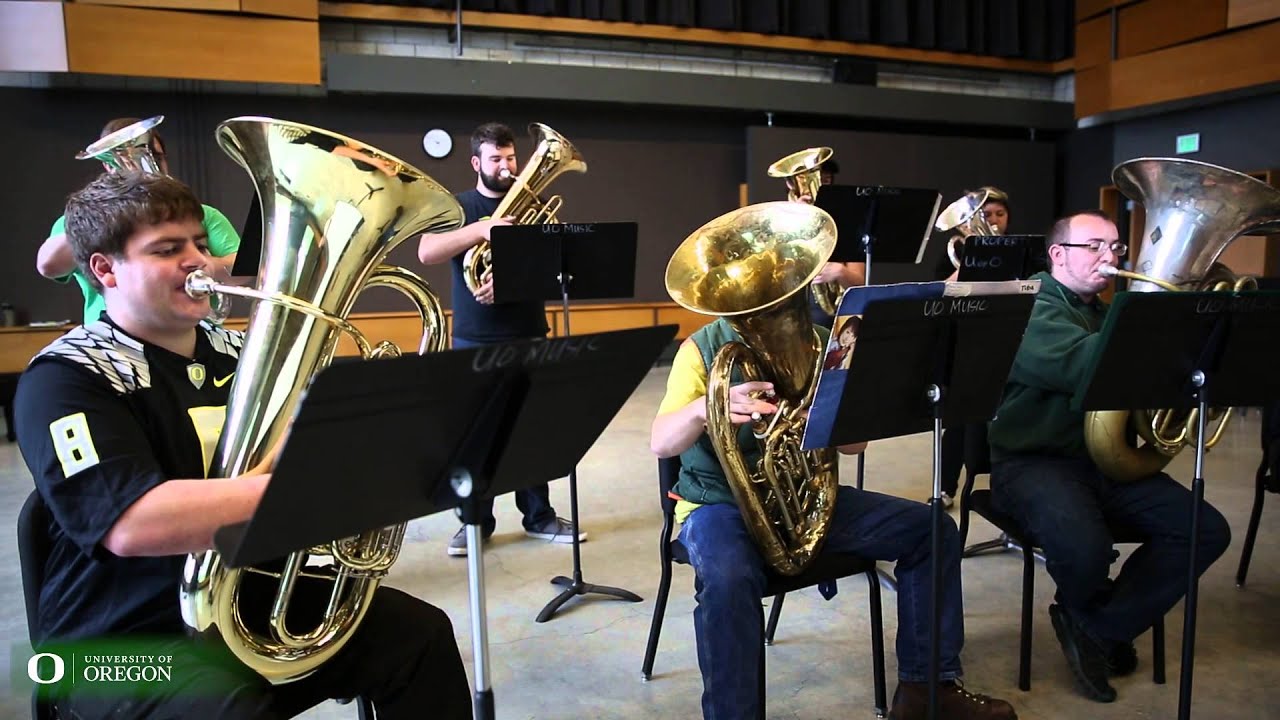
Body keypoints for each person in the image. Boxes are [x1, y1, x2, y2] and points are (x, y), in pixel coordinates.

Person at [15, 172, 472, 720]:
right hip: (114, 640)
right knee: (236, 708)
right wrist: (313, 490)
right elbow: (133, 523)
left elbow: (312, 444)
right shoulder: (67, 376)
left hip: (239, 597)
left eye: (200, 245)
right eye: (168, 249)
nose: (199, 262)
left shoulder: (237, 351)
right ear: (105, 269)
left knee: (419, 640)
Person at [650, 319, 1017, 719]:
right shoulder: (702, 350)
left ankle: (927, 690)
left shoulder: (822, 343)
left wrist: (827, 418)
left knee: (931, 531)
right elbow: (662, 442)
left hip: (804, 497)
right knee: (728, 578)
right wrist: (705, 407)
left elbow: (854, 446)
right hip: (719, 504)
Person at [986, 210, 1232, 703]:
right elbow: (1087, 366)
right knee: (1085, 549)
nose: (1111, 257)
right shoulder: (1027, 307)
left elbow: (1145, 381)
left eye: (1116, 247)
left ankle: (1096, 627)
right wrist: (1165, 329)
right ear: (1058, 255)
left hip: (1104, 463)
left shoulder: (1109, 312)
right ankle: (1102, 625)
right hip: (1034, 462)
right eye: (1094, 245)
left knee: (1205, 530)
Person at [417, 121, 585, 557]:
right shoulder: (459, 206)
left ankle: (539, 516)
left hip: (528, 331)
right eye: (496, 159)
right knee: (477, 435)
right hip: (475, 338)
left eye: (511, 158)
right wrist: (481, 230)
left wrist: (513, 281)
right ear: (477, 162)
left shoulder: (537, 205)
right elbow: (427, 251)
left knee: (531, 428)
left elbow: (554, 270)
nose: (506, 166)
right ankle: (475, 522)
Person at [36, 117, 240, 325]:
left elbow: (245, 271)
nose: (144, 166)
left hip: (201, 330)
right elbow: (48, 267)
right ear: (108, 166)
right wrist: (102, 214)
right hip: (111, 339)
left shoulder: (203, 214)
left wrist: (201, 267)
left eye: (157, 157)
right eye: (124, 158)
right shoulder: (75, 221)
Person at [932, 186, 1012, 507]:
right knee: (957, 421)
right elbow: (942, 289)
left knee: (999, 418)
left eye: (999, 215)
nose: (993, 221)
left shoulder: (1014, 250)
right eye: (985, 215)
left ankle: (1004, 488)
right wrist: (971, 262)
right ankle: (946, 487)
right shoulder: (954, 251)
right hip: (962, 339)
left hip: (1001, 337)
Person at [794, 158, 866, 329]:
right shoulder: (781, 224)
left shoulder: (847, 225)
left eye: (825, 179)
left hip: (834, 320)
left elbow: (861, 285)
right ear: (791, 184)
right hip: (796, 322)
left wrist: (839, 271)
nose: (819, 187)